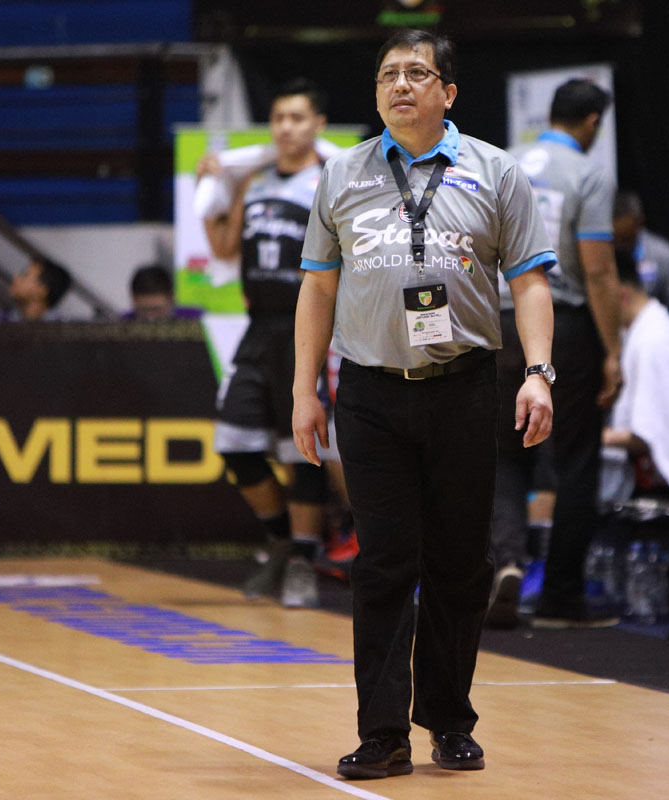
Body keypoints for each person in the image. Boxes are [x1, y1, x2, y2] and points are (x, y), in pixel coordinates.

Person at [292, 30, 556, 780]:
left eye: (417, 73)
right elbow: (317, 286)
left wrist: (538, 372)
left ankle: (448, 719)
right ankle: (382, 733)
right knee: (382, 563)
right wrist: (304, 389)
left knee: (459, 564)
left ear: (449, 92)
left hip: (465, 388)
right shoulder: (341, 174)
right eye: (388, 75)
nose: (400, 85)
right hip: (369, 392)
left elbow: (531, 281)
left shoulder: (497, 172)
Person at [491, 78, 622, 630]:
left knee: (502, 454)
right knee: (576, 459)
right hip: (560, 323)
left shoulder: (502, 164)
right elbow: (598, 270)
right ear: (592, 121)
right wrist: (613, 350)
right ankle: (562, 596)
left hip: (497, 323)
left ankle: (506, 562)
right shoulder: (589, 174)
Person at [206, 78, 339, 609]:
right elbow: (223, 248)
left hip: (306, 329)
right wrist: (210, 193)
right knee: (233, 444)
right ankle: (282, 541)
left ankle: (304, 560)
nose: (286, 127)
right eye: (279, 118)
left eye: (297, 118)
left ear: (318, 125)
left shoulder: (330, 180)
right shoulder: (254, 183)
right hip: (258, 328)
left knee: (302, 449)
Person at [600, 250, 669, 499]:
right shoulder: (642, 329)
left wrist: (597, 437)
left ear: (621, 295)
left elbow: (649, 436)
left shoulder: (654, 341)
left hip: (664, 490)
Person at [611, 190, 669, 338]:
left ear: (639, 221)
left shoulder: (667, 256)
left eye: (626, 238)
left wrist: (667, 345)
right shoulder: (596, 258)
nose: (621, 246)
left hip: (654, 337)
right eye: (615, 239)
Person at [122, 263, 202, 321]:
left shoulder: (196, 320)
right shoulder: (121, 324)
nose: (150, 318)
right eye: (144, 310)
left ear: (171, 298)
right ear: (133, 299)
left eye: (156, 309)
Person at [3, 256, 70, 321]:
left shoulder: (60, 326)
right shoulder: (4, 318)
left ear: (42, 290)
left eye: (25, 275)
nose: (16, 277)